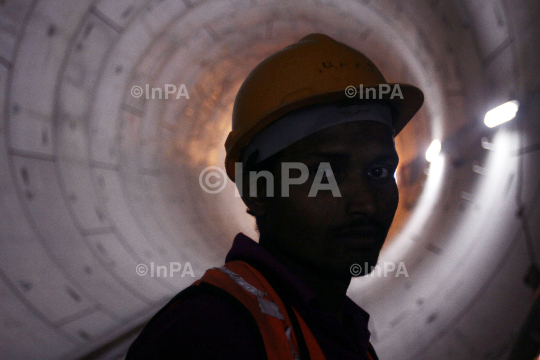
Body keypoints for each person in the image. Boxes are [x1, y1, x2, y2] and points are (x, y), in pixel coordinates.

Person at [126, 33, 424, 360]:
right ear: (257, 191)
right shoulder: (207, 333)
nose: (365, 203)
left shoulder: (345, 332)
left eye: (379, 172)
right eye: (325, 174)